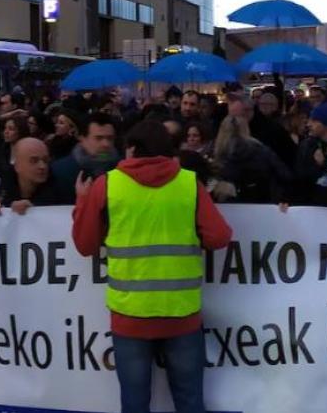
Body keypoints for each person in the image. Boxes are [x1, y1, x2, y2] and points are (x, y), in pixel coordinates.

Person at [71, 120, 232, 413]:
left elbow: (85, 245)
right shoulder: (188, 184)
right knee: (190, 401)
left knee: (134, 403)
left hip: (130, 314)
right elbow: (219, 237)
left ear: (131, 149)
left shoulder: (108, 184)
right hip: (181, 313)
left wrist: (83, 202)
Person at [209, 114, 291, 204]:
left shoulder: (216, 155)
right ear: (246, 129)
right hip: (262, 202)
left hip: (228, 206)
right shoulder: (261, 150)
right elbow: (284, 174)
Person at [50, 112, 120, 197]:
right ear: (82, 139)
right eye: (98, 138)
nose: (106, 144)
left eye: (110, 138)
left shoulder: (121, 168)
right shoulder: (60, 172)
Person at [0, 137, 64, 214]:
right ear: (17, 166)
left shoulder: (61, 194)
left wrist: (35, 210)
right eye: (34, 161)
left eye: (45, 160)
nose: (42, 166)